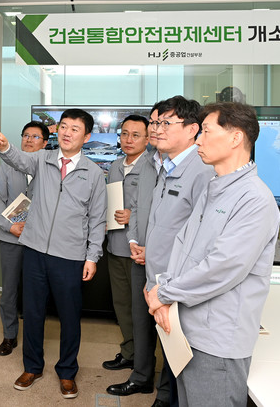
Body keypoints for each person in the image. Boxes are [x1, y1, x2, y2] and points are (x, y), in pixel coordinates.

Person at [146, 102, 280, 406]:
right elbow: (183, 246)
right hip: (187, 329)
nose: (198, 141)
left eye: (206, 131)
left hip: (217, 341)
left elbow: (222, 267)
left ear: (235, 137)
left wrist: (164, 293)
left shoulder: (255, 199)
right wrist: (164, 290)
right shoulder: (214, 187)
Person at [0, 108, 107, 400]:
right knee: (32, 312)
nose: (67, 133)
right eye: (63, 126)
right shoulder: (42, 159)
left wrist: (92, 257)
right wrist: (5, 147)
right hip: (34, 250)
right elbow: (18, 159)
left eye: (75, 129)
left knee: (69, 316)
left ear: (87, 137)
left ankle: (67, 372)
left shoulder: (93, 173)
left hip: (70, 256)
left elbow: (98, 219)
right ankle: (32, 367)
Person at [107, 96, 214, 407]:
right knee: (148, 327)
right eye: (155, 122)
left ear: (193, 129)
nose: (157, 129)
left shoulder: (202, 170)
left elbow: (198, 233)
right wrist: (137, 244)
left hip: (174, 273)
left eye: (165, 123)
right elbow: (150, 214)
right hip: (150, 263)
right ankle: (147, 381)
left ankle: (166, 395)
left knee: (174, 337)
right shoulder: (162, 165)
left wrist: (158, 259)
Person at [0, 120, 49, 356]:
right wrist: (9, 226)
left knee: (37, 290)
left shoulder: (49, 168)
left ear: (45, 143)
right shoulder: (7, 165)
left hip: (40, 239)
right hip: (11, 238)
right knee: (9, 291)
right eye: (25, 135)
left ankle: (35, 337)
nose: (28, 140)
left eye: (35, 137)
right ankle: (9, 335)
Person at [101, 114, 153, 372]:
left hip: (139, 249)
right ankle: (129, 352)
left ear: (148, 138)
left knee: (140, 309)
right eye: (124, 134)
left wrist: (135, 215)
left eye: (135, 135)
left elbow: (162, 208)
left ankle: (143, 361)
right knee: (121, 304)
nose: (128, 139)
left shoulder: (153, 167)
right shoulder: (114, 166)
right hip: (115, 245)